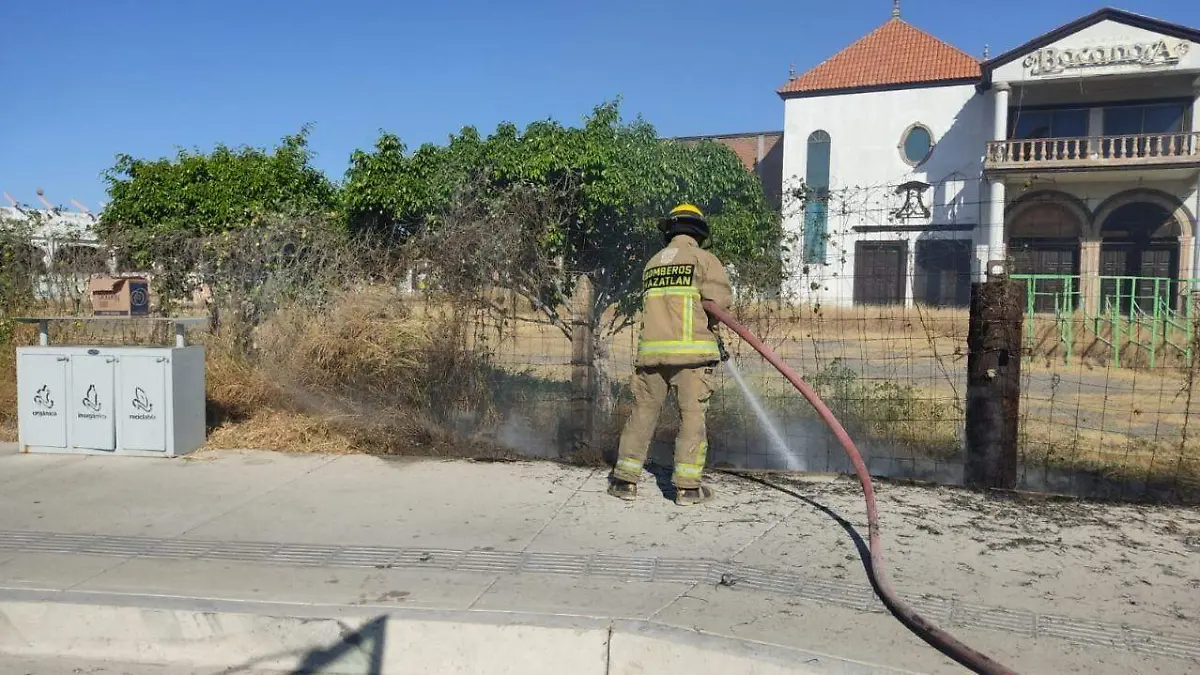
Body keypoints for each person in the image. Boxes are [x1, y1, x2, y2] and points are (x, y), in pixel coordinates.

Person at [608, 203, 733, 506]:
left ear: (671, 231)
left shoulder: (653, 263)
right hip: (692, 355)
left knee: (642, 413)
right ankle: (688, 488)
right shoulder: (703, 259)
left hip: (652, 355)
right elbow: (720, 302)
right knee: (691, 417)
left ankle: (625, 481)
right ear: (698, 232)